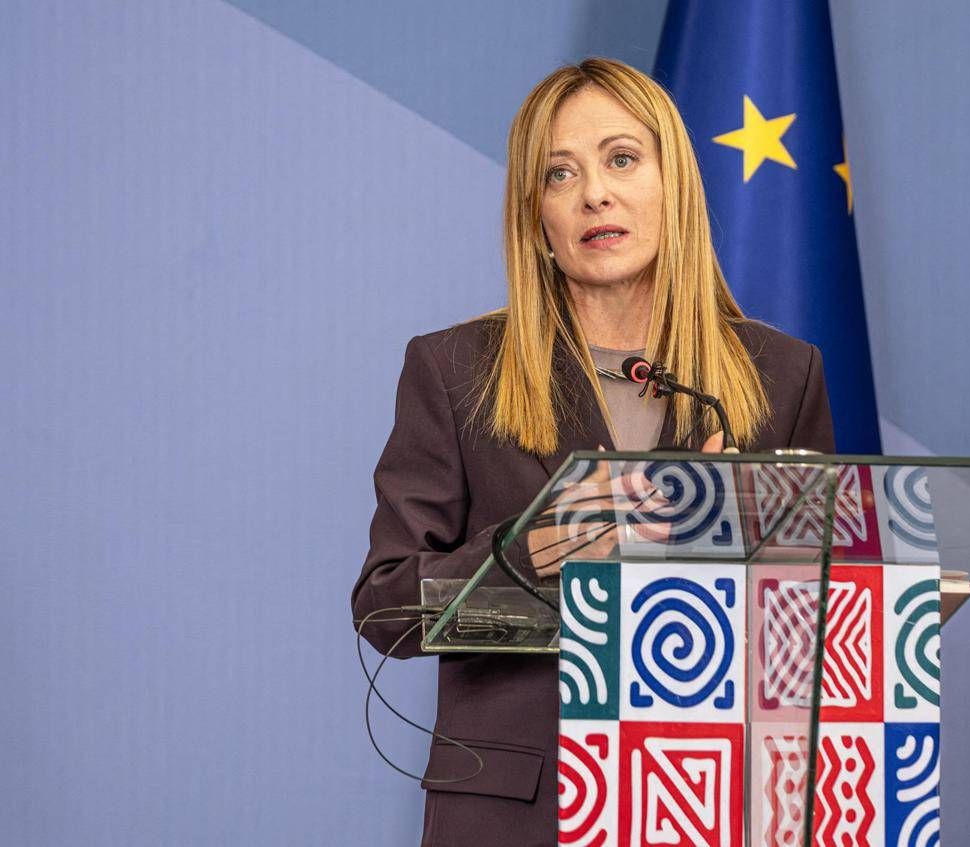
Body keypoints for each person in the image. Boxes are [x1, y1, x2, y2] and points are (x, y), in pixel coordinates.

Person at [352, 57, 835, 847]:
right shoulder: (454, 370)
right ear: (535, 216)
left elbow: (819, 626)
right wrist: (528, 551)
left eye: (621, 159)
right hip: (520, 815)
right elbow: (385, 611)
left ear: (673, 185)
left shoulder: (782, 375)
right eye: (560, 173)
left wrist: (732, 549)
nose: (594, 195)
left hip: (713, 801)